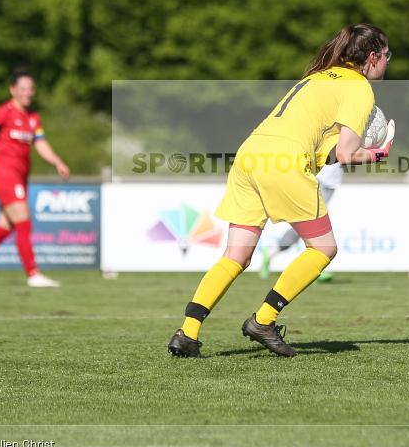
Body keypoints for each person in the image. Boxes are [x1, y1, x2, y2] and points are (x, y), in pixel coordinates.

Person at [168, 24, 395, 358]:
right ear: (372, 57)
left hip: (250, 154)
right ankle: (263, 320)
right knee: (324, 249)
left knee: (236, 256)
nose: (388, 63)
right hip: (284, 161)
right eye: (387, 55)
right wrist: (378, 154)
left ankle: (187, 333)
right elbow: (348, 154)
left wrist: (352, 151)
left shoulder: (317, 77)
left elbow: (331, 151)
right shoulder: (358, 87)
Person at [0, 70, 70, 288]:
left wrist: (57, 161)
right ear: (13, 90)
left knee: (5, 227)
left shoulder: (33, 117)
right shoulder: (3, 113)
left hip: (21, 175)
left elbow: (40, 143)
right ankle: (33, 274)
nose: (28, 93)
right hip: (6, 173)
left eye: (31, 89)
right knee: (24, 222)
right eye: (23, 88)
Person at [258, 161, 344, 283]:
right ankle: (317, 267)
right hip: (320, 180)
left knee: (305, 226)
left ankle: (271, 251)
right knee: (314, 225)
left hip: (329, 182)